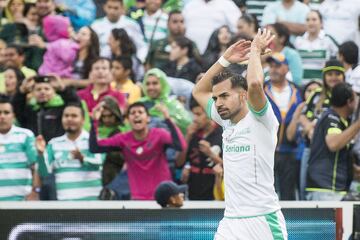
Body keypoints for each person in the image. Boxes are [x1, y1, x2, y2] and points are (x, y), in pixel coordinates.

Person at [192, 29, 287, 239]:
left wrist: (255, 49)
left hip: (263, 221)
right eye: (216, 98)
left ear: (243, 96)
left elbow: (254, 83)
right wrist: (225, 59)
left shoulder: (262, 119)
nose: (218, 103)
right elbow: (198, 91)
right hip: (231, 221)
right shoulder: (225, 120)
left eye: (224, 96)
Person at [90, 101, 187, 200]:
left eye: (140, 112)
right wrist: (94, 121)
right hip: (138, 198)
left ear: (148, 119)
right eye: (132, 113)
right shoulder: (123, 139)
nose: (136, 115)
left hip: (162, 196)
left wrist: (167, 119)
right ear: (128, 120)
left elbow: (181, 145)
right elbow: (95, 147)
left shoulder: (159, 135)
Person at [36, 103, 104, 200]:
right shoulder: (53, 144)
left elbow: (100, 165)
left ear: (83, 120)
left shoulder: (94, 141)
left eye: (74, 116)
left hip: (92, 205)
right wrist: (40, 154)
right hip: (65, 205)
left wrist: (82, 159)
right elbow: (44, 173)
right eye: (66, 116)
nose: (69, 119)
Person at [306, 82, 360, 200]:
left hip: (333, 189)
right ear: (349, 102)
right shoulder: (331, 118)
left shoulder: (342, 121)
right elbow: (333, 143)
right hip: (325, 190)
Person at [264, 53, 303, 200]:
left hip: (290, 151)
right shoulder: (261, 90)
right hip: (267, 151)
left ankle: (287, 223)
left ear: (287, 68)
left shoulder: (298, 91)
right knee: (267, 194)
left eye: (277, 66)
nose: (273, 69)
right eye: (271, 66)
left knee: (288, 195)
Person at [176, 97, 222, 200]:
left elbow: (231, 167)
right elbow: (178, 163)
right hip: (193, 192)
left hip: (215, 193)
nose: (195, 119)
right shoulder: (192, 133)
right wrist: (187, 137)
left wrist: (211, 154)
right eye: (193, 114)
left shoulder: (222, 133)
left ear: (210, 115)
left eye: (198, 114)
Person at [0, 94, 40, 201]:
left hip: (21, 200)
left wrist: (35, 191)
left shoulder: (25, 135)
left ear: (13, 115)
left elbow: (36, 165)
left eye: (6, 113)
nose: (2, 116)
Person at [139, 68, 191, 134]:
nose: (151, 87)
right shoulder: (139, 104)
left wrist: (168, 118)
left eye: (155, 83)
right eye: (147, 84)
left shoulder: (173, 104)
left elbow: (187, 124)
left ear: (163, 84)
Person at [294, 10, 338, 84]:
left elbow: (339, 57)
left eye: (314, 19)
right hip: (302, 84)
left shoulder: (328, 40)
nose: (310, 23)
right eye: (308, 20)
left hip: (322, 84)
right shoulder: (298, 41)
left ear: (321, 23)